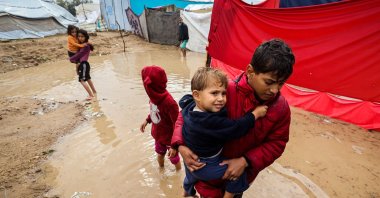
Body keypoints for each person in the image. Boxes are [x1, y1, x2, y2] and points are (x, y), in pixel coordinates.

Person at [171, 38, 295, 197]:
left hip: (239, 177)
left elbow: (277, 143)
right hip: (208, 178)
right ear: (250, 71)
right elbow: (187, 114)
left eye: (281, 84)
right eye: (269, 82)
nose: (275, 90)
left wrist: (246, 161)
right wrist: (180, 145)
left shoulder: (281, 109)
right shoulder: (223, 91)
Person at [180, 67, 268, 198]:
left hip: (191, 160)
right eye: (214, 93)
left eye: (224, 93)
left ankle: (186, 193)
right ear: (197, 95)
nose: (221, 99)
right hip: (206, 165)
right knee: (239, 172)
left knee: (190, 176)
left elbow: (183, 100)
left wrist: (178, 144)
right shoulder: (208, 122)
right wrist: (255, 114)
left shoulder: (189, 106)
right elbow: (236, 127)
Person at [140, 66, 181, 170]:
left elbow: (177, 124)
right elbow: (154, 112)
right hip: (158, 136)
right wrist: (147, 120)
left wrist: (174, 145)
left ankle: (178, 174)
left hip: (170, 139)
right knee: (159, 155)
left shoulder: (170, 103)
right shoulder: (152, 97)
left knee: (174, 159)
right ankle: (161, 171)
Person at [69, 29, 97, 101]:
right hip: (83, 64)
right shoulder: (83, 45)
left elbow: (79, 54)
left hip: (84, 64)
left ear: (86, 37)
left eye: (82, 36)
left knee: (82, 80)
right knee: (87, 79)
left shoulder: (85, 46)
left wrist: (71, 59)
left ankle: (91, 95)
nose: (80, 38)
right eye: (79, 36)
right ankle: (94, 92)